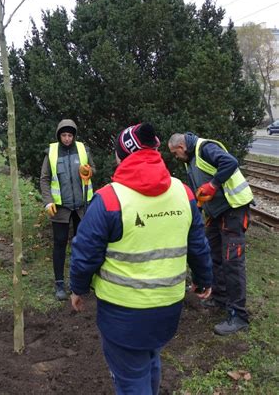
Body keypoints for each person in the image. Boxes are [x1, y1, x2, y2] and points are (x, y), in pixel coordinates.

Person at [70, 123, 212, 395]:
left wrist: (78, 288)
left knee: (130, 377)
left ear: (122, 156)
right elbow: (198, 245)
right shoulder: (183, 193)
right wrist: (204, 280)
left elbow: (85, 253)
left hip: (123, 314)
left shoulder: (109, 199)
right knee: (150, 357)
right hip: (167, 308)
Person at [168, 131, 253, 335]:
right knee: (213, 255)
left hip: (233, 209)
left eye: (174, 153)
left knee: (232, 261)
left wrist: (214, 184)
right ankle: (220, 299)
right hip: (216, 214)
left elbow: (230, 162)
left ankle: (238, 315)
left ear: (181, 148)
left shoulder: (205, 149)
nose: (176, 157)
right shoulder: (191, 160)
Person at [40, 118, 96, 300]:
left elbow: (93, 168)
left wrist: (89, 172)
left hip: (81, 207)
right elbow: (45, 179)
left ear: (74, 136)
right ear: (59, 136)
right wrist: (48, 201)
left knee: (82, 245)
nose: (66, 138)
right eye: (63, 135)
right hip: (60, 208)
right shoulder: (51, 153)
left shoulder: (83, 149)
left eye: (69, 135)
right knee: (60, 244)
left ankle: (80, 282)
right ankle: (59, 284)